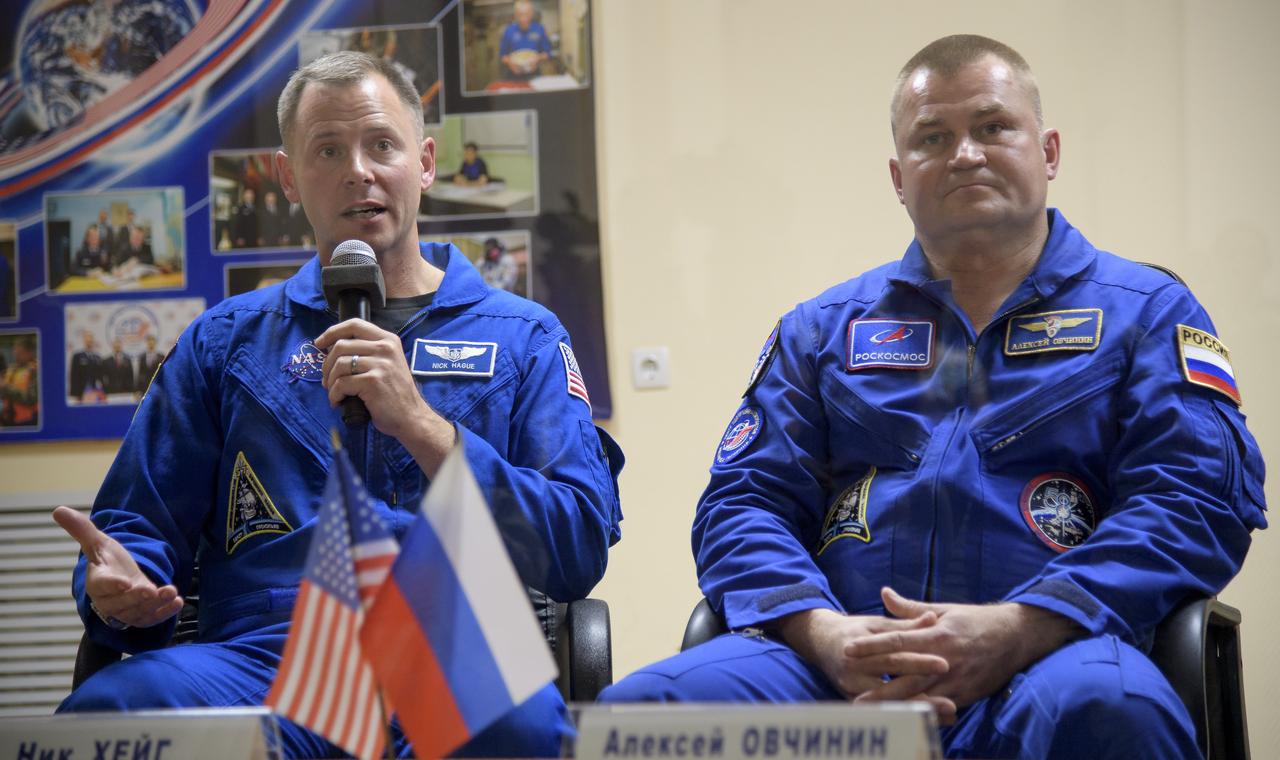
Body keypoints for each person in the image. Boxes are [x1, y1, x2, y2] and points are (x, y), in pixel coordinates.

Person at [599, 35, 1267, 760]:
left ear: (1048, 152)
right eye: (933, 137)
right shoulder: (822, 330)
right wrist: (819, 631)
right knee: (642, 718)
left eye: (992, 127)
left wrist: (1024, 625)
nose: (965, 154)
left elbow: (1192, 502)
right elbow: (742, 503)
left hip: (1053, 661)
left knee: (1115, 710)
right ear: (897, 174)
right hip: (837, 678)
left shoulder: (1148, 313)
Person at [53, 50, 623, 759]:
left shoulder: (526, 338)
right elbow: (135, 526)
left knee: (524, 733)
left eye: (381, 144)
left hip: (456, 647)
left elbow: (575, 545)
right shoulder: (225, 343)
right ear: (290, 177)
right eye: (328, 149)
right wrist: (119, 586)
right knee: (114, 712)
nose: (358, 169)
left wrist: (421, 426)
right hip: (268, 655)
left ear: (424, 163)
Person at [499, 0, 551, 80]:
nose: (523, 18)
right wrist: (510, 63)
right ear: (515, 15)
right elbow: (503, 56)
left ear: (531, 13)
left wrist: (538, 58)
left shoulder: (539, 29)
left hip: (535, 75)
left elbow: (547, 53)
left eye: (526, 14)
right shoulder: (509, 31)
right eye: (520, 14)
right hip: (513, 76)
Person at [0, 337, 38, 427]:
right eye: (15, 353)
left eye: (20, 353)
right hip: (8, 419)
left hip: (28, 421)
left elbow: (31, 399)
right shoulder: (11, 369)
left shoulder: (35, 370)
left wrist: (5, 388)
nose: (16, 356)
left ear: (29, 353)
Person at [67, 330, 105, 402]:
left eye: (91, 338)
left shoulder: (98, 357)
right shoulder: (77, 356)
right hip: (81, 392)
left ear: (93, 340)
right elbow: (73, 376)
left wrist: (102, 392)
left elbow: (101, 377)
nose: (89, 340)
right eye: (87, 338)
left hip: (95, 392)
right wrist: (74, 394)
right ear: (84, 340)